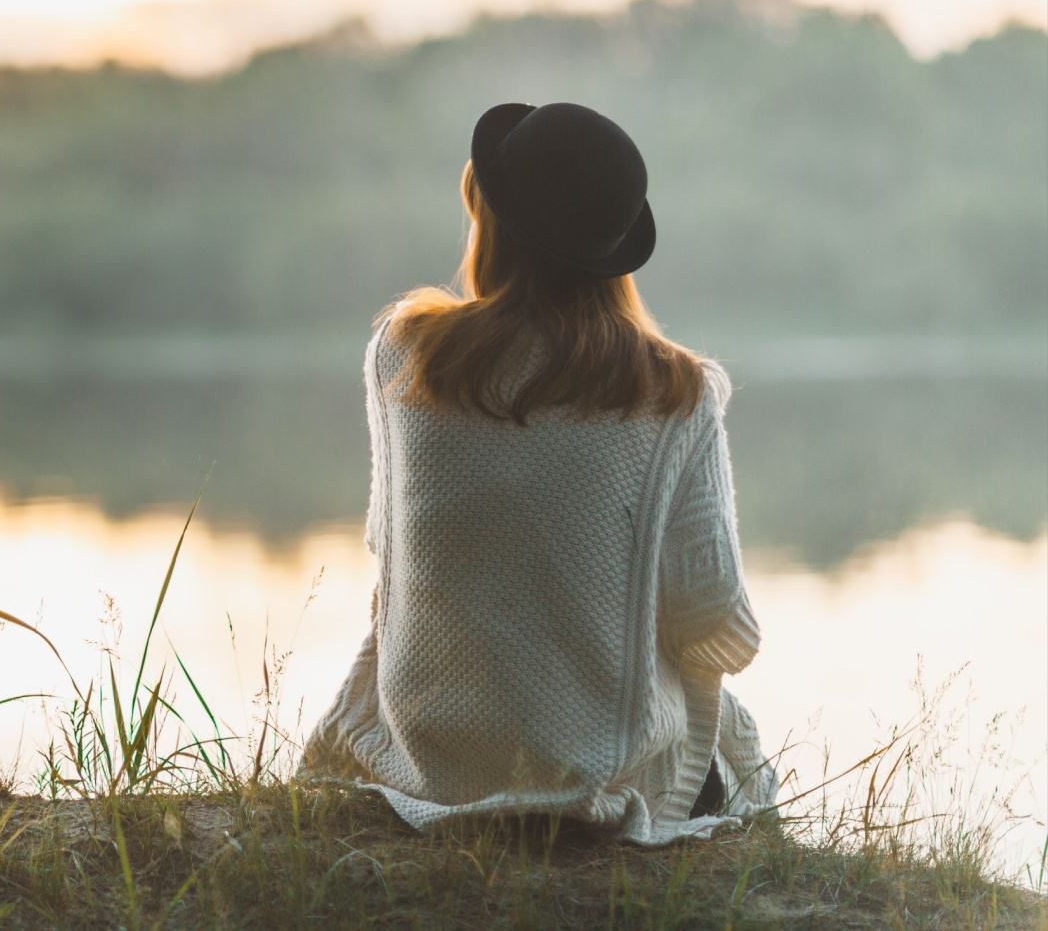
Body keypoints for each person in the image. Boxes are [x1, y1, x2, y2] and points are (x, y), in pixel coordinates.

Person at [299, 102, 777, 844]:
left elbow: (389, 550)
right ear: (611, 251)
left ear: (493, 229)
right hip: (593, 779)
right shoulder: (677, 394)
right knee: (726, 745)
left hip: (429, 759)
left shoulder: (404, 355)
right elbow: (713, 616)